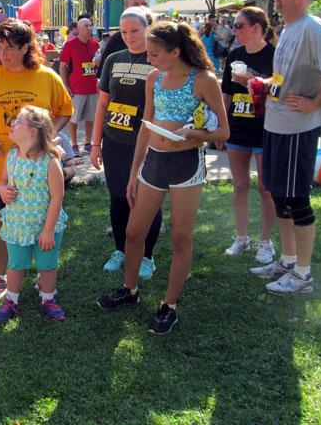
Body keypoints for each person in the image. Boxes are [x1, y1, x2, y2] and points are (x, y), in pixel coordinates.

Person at [96, 21, 229, 335]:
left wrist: (193, 134)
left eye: (155, 53)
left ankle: (169, 305)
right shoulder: (154, 79)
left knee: (181, 238)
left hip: (186, 165)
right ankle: (130, 290)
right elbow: (146, 126)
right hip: (154, 163)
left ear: (175, 51)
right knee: (132, 233)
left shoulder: (204, 80)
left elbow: (223, 131)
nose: (150, 59)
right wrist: (133, 173)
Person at [249, 0, 321, 294]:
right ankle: (288, 261)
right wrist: (263, 84)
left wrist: (316, 102)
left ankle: (303, 275)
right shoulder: (290, 29)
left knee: (296, 200)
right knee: (280, 196)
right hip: (277, 124)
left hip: (298, 128)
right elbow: (285, 76)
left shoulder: (313, 28)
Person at [0, 18, 72, 302]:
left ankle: (43, 277)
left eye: (10, 47)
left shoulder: (47, 77)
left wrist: (49, 135)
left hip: (40, 170)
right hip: (0, 168)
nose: (3, 53)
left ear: (26, 47)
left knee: (42, 219)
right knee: (2, 223)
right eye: (0, 46)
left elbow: (64, 110)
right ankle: (1, 277)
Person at [90, 7, 162, 277]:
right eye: (124, 31)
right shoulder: (113, 59)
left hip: (146, 144)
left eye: (135, 30)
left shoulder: (158, 60)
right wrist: (95, 144)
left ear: (148, 28)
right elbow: (102, 105)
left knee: (145, 200)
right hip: (114, 142)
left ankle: (146, 255)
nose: (130, 36)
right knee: (118, 197)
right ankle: (120, 249)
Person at [0, 105, 68, 322]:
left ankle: (48, 298)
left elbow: (57, 197)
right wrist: (2, 189)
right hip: (18, 225)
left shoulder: (50, 162)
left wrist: (48, 231)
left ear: (34, 131)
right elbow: (2, 180)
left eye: (18, 122)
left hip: (45, 226)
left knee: (47, 265)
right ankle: (12, 301)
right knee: (15, 265)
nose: (12, 124)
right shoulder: (12, 156)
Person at [218, 7, 277, 263]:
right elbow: (226, 95)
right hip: (237, 130)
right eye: (234, 25)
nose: (234, 30)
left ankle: (266, 242)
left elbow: (279, 92)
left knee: (266, 188)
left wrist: (252, 80)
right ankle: (242, 238)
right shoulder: (234, 55)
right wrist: (222, 126)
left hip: (265, 131)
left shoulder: (275, 56)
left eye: (239, 25)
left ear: (256, 28)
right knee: (240, 186)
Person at [60, 16, 100, 155]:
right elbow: (63, 66)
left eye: (90, 25)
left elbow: (98, 67)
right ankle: (74, 144)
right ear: (78, 29)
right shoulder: (70, 45)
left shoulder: (95, 45)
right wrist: (65, 86)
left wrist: (98, 65)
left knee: (90, 118)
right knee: (74, 118)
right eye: (86, 26)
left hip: (92, 88)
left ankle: (88, 143)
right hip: (76, 88)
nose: (89, 28)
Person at [97, 0, 149, 75]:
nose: (141, 8)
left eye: (144, 4)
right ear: (125, 8)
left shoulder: (160, 38)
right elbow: (102, 79)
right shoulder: (116, 40)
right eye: (135, 5)